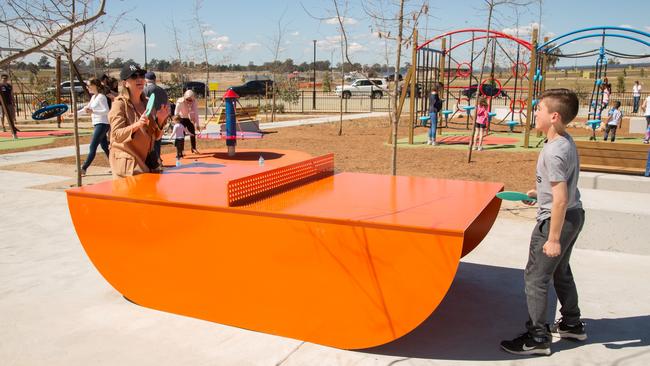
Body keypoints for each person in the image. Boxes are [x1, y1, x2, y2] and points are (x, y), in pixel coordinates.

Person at [501, 88, 586, 356]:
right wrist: (540, 194)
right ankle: (572, 323)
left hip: (556, 219)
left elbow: (560, 199)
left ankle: (538, 337)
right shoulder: (565, 141)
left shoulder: (553, 152)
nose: (534, 112)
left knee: (536, 278)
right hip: (574, 214)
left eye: (539, 108)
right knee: (560, 272)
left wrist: (552, 237)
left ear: (554, 116)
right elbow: (561, 189)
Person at [108, 62, 170, 179]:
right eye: (134, 76)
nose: (139, 79)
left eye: (141, 75)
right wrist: (137, 124)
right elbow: (117, 135)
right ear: (125, 83)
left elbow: (155, 136)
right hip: (129, 165)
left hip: (146, 161)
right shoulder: (119, 104)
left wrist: (160, 121)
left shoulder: (146, 102)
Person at [73, 78, 110, 175]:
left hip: (102, 124)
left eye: (89, 85)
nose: (87, 87)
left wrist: (93, 111)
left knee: (93, 146)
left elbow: (106, 111)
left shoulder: (101, 97)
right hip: (98, 124)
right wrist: (74, 114)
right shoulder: (94, 97)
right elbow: (86, 109)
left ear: (95, 86)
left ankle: (84, 168)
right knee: (105, 147)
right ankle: (115, 166)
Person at [143, 71, 169, 168]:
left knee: (151, 141)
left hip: (151, 118)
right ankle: (158, 158)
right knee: (158, 139)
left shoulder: (145, 90)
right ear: (154, 79)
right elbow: (167, 104)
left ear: (146, 80)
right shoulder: (162, 90)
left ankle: (155, 160)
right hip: (161, 117)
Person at [175, 89, 200, 154]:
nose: (189, 101)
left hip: (189, 119)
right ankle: (181, 150)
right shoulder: (180, 102)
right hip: (181, 118)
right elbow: (176, 113)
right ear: (185, 97)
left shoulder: (194, 102)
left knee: (192, 133)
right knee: (181, 135)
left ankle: (193, 148)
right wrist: (177, 123)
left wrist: (197, 124)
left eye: (190, 100)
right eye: (187, 99)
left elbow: (196, 113)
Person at [0, 72, 19, 138]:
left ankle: (12, 126)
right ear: (1, 78)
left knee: (12, 115)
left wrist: (13, 102)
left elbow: (12, 94)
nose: (4, 79)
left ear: (7, 79)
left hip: (9, 103)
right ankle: (3, 126)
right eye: (3, 78)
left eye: (6, 78)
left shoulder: (9, 86)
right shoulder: (0, 85)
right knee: (2, 115)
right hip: (1, 104)